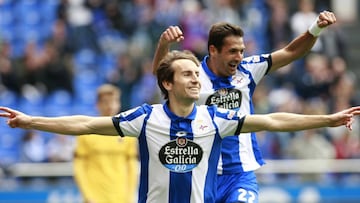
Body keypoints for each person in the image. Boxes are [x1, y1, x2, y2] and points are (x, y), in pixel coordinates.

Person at [1, 50, 358, 203]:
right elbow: (85, 124)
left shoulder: (214, 120)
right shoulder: (145, 119)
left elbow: (273, 120)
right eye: (187, 73)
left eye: (195, 73)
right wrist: (32, 120)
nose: (196, 78)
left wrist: (327, 118)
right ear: (168, 84)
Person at [152, 11, 336, 203]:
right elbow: (162, 76)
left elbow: (291, 52)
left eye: (241, 50)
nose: (239, 57)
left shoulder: (248, 70)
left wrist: (316, 29)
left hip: (240, 175)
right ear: (213, 50)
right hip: (203, 174)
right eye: (232, 51)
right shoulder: (194, 76)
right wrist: (164, 45)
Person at [73, 84, 139, 203]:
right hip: (95, 198)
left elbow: (132, 166)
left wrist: (130, 196)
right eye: (106, 102)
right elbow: (79, 167)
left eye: (114, 101)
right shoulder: (87, 132)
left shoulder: (128, 132)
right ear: (97, 104)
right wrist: (88, 196)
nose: (110, 105)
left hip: (121, 197)